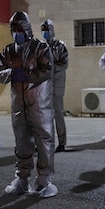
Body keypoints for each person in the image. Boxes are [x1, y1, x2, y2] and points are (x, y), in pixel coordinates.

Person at [0, 11, 57, 197]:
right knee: (22, 140)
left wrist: (29, 76)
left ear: (27, 29)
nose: (16, 33)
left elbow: (47, 69)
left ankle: (44, 179)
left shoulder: (40, 48)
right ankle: (22, 178)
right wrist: (10, 74)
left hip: (39, 103)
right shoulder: (8, 51)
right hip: (19, 104)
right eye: (13, 29)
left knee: (44, 139)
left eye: (19, 29)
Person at [41, 19, 69, 152]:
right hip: (43, 86)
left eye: (47, 29)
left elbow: (64, 64)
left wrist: (50, 68)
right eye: (43, 30)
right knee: (44, 116)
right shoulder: (40, 46)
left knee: (58, 114)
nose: (45, 32)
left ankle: (62, 142)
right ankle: (46, 142)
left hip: (57, 85)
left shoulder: (60, 46)